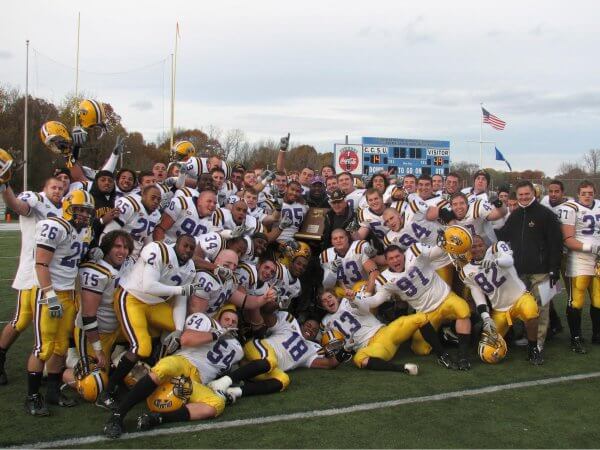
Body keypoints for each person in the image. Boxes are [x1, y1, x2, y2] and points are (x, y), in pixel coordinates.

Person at [96, 235, 200, 410]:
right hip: (132, 297)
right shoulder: (159, 250)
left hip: (154, 304)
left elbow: (181, 300)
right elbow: (148, 286)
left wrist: (178, 329)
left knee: (183, 332)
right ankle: (108, 390)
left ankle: (152, 377)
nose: (188, 250)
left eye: (191, 248)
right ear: (177, 243)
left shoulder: (189, 268)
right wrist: (180, 289)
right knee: (141, 348)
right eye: (185, 246)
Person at [102, 308, 242, 438]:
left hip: (197, 380)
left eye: (234, 321)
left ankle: (159, 418)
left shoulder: (239, 350)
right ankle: (117, 416)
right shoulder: (210, 325)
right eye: (227, 319)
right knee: (164, 369)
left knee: (217, 404)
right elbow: (186, 339)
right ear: (218, 320)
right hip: (184, 362)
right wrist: (217, 333)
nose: (230, 323)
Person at [26, 190, 95, 415]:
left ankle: (53, 392)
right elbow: (41, 264)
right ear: (68, 207)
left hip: (68, 294)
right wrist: (50, 295)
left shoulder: (83, 231)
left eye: (87, 211)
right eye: (80, 210)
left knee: (61, 347)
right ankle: (33, 396)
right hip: (50, 294)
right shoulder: (55, 226)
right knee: (43, 347)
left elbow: (73, 259)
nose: (84, 215)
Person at [363, 244, 472, 370]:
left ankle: (463, 356)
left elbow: (434, 253)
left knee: (463, 309)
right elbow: (377, 300)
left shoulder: (415, 252)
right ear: (387, 261)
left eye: (397, 256)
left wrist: (443, 243)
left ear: (403, 256)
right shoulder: (385, 279)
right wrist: (361, 301)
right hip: (425, 312)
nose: (395, 260)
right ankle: (443, 345)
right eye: (391, 258)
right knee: (420, 349)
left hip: (445, 298)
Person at [0, 176, 64, 385]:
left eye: (62, 186)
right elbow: (16, 205)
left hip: (54, 275)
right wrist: (5, 185)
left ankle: (46, 367)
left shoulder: (66, 207)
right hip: (32, 272)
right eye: (54, 186)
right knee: (22, 320)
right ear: (44, 188)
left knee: (49, 324)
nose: (58, 189)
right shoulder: (36, 200)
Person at [64, 230, 135, 398]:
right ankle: (65, 368)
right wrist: (97, 350)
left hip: (118, 328)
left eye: (125, 247)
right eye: (117, 246)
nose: (122, 251)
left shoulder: (129, 263)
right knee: (95, 386)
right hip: (95, 332)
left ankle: (116, 358)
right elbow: (88, 315)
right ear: (107, 248)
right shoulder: (95, 272)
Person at [496, 180, 562, 352]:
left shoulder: (546, 214)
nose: (524, 197)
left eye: (527, 194)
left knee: (541, 307)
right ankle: (528, 336)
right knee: (523, 306)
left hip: (541, 271)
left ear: (533, 193)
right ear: (516, 196)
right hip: (519, 271)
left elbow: (556, 243)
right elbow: (502, 235)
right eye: (520, 195)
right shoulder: (515, 215)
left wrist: (555, 268)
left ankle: (538, 342)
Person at [461, 236, 543, 365]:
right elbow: (478, 296)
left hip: (519, 298)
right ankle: (507, 342)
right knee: (488, 352)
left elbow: (509, 260)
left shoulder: (496, 248)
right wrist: (486, 317)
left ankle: (533, 348)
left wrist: (495, 262)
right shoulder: (466, 271)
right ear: (468, 250)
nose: (477, 249)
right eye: (473, 247)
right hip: (499, 309)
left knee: (531, 311)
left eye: (480, 245)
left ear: (485, 245)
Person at [319, 290, 422, 373]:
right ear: (323, 306)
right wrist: (339, 348)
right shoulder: (325, 322)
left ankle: (439, 353)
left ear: (336, 297)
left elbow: (365, 307)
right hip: (369, 347)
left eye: (329, 297)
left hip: (382, 333)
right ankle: (402, 368)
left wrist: (355, 299)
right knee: (359, 359)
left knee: (419, 319)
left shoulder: (347, 301)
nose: (328, 301)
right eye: (324, 301)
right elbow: (325, 343)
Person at [556, 181, 600, 353]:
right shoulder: (570, 208)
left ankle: (597, 334)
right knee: (577, 299)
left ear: (594, 193)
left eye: (590, 192)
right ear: (578, 194)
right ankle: (575, 338)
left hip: (598, 259)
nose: (587, 196)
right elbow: (568, 239)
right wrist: (592, 247)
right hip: (579, 258)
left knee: (598, 298)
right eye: (584, 193)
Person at [101, 185, 162, 257]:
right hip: (116, 252)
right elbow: (108, 232)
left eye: (158, 199)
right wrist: (103, 251)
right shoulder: (130, 205)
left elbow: (147, 241)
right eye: (153, 197)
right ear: (143, 195)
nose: (155, 201)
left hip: (133, 257)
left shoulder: (156, 215)